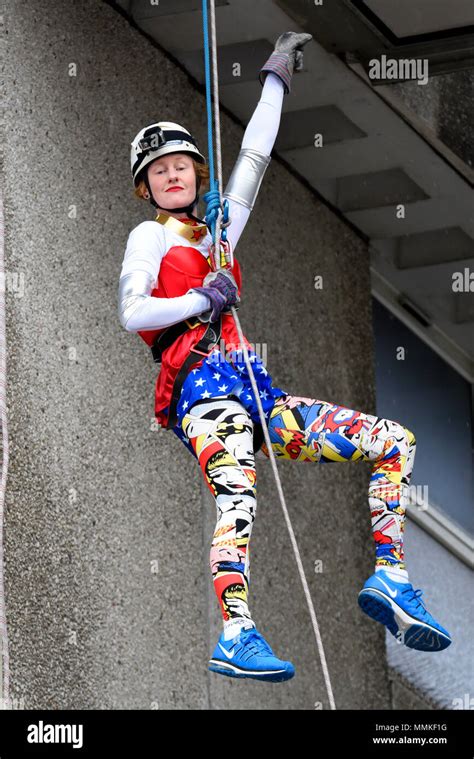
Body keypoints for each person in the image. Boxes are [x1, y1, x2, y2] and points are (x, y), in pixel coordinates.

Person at [118, 32, 452, 683]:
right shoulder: (149, 236)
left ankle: (390, 577)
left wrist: (276, 77)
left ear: (194, 171)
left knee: (393, 440)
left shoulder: (216, 236)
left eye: (181, 162)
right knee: (237, 494)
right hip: (203, 396)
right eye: (159, 171)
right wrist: (196, 298)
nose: (173, 173)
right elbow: (133, 312)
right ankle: (236, 630)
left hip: (255, 397)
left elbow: (255, 157)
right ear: (147, 188)